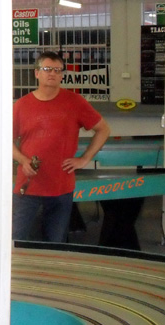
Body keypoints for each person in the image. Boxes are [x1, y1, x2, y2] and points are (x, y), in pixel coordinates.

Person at [13, 51, 110, 242]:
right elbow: (5, 141)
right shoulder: (21, 105)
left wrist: (84, 159)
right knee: (16, 239)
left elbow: (103, 129)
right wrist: (22, 160)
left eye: (58, 70)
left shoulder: (75, 102)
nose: (52, 74)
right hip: (28, 186)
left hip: (61, 187)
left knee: (55, 242)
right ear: (37, 73)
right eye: (47, 69)